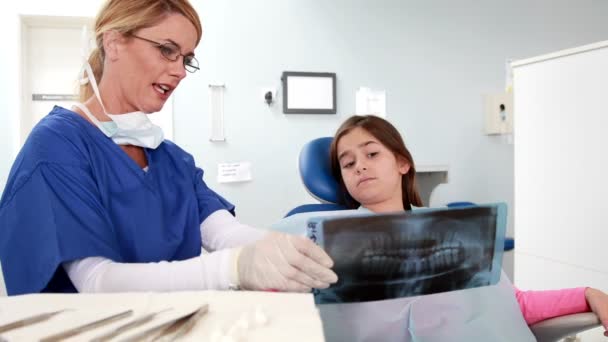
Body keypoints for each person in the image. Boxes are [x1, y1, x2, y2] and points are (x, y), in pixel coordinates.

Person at [0, 0, 337, 296]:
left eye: (186, 58)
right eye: (166, 50)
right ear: (114, 42)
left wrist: (297, 249)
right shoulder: (57, 146)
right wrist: (230, 269)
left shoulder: (171, 159)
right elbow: (96, 280)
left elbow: (225, 234)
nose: (179, 71)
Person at [274, 115, 608, 340]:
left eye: (372, 153)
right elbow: (262, 294)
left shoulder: (454, 230)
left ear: (403, 163)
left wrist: (586, 294)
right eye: (348, 164)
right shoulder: (318, 233)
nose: (360, 165)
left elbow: (510, 303)